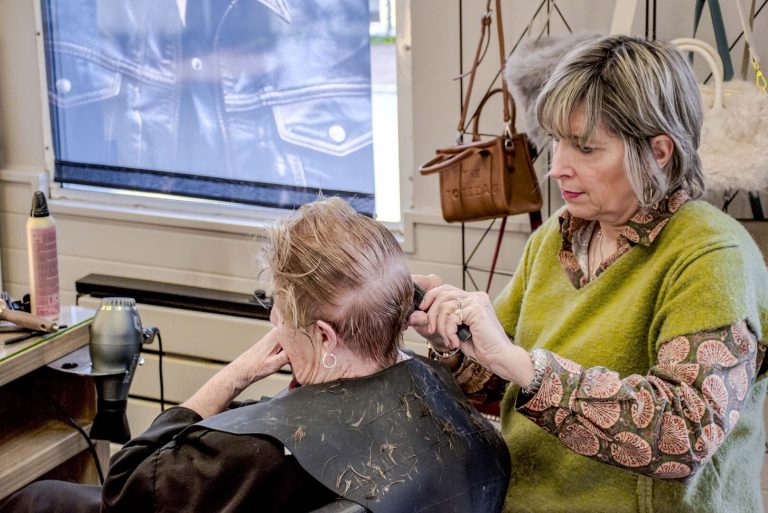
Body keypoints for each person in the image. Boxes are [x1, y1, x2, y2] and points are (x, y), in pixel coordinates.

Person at [412, 35, 768, 513]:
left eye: (585, 148)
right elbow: (493, 385)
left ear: (659, 151)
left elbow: (684, 434)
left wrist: (524, 366)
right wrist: (452, 338)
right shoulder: (554, 242)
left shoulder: (710, 254)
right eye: (556, 141)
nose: (557, 167)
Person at [0, 198, 510, 513]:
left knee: (36, 500)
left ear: (328, 338)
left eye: (281, 308)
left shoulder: (252, 453)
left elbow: (127, 483)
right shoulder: (441, 391)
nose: (274, 323)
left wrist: (235, 374)